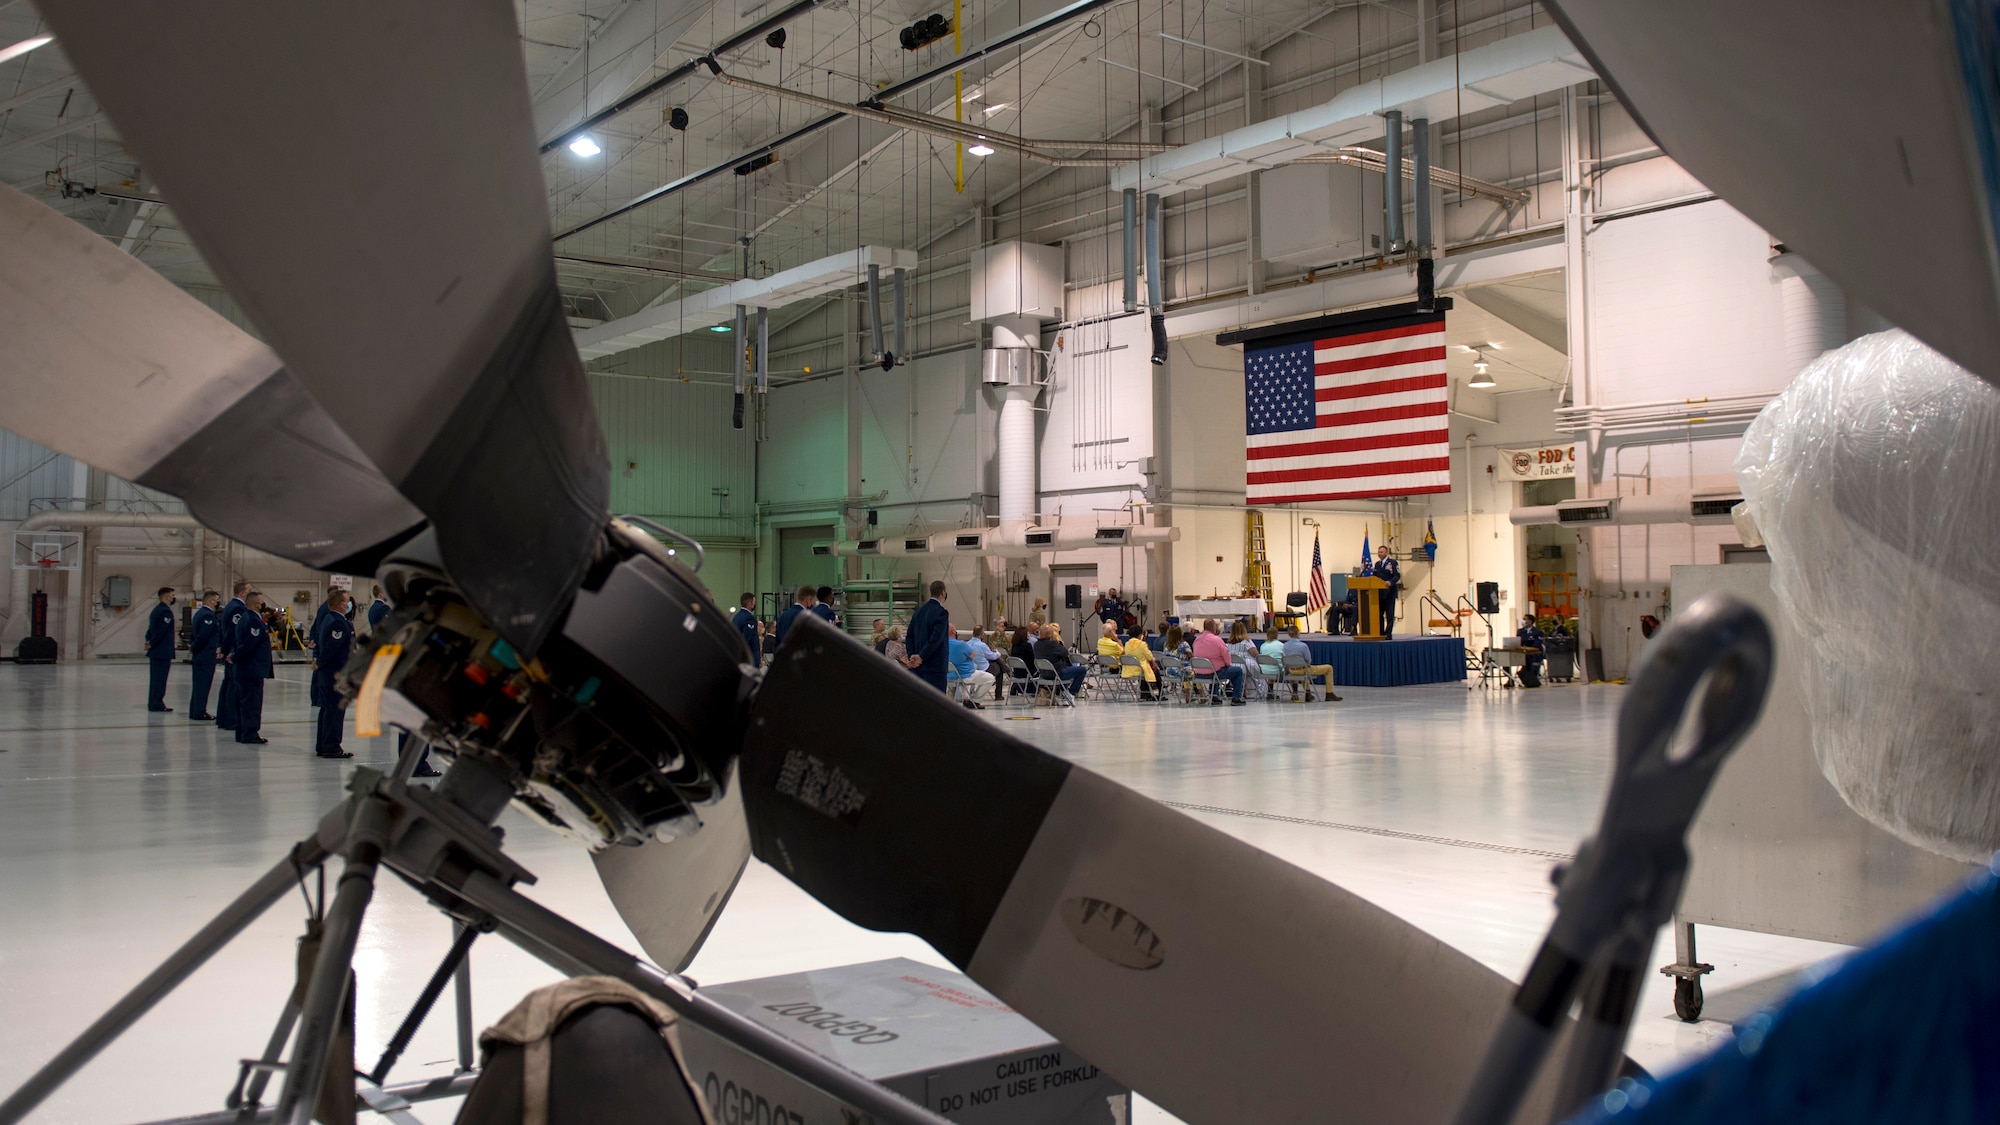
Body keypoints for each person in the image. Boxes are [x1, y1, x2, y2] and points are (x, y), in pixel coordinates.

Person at [311, 588, 356, 758]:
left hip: (329, 675)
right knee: (334, 712)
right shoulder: (338, 623)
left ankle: (323, 744)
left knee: (327, 711)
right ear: (341, 605)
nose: (349, 604)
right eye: (347, 601)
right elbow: (331, 648)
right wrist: (320, 662)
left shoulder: (328, 619)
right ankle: (331, 746)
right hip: (335, 675)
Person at [231, 589, 273, 744]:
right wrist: (236, 656)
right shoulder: (254, 620)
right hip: (251, 668)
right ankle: (250, 733)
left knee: (242, 701)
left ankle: (242, 731)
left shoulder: (244, 618)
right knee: (252, 702)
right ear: (257, 604)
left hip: (244, 668)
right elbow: (249, 644)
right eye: (262, 602)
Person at [215, 581, 251, 730]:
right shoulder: (238, 608)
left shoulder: (231, 606)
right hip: (233, 651)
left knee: (228, 684)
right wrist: (229, 650)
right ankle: (231, 719)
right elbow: (233, 632)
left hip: (229, 649)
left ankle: (224, 718)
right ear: (242, 593)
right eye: (249, 591)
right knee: (233, 687)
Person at [905, 580, 950, 693]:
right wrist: (922, 656)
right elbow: (936, 638)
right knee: (937, 702)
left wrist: (912, 656)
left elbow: (909, 636)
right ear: (943, 593)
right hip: (935, 666)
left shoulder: (918, 612)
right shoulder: (941, 612)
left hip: (917, 667)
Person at [1189, 619, 1246, 705]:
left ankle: (1214, 696)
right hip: (1214, 673)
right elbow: (1226, 656)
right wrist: (1228, 665)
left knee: (1215, 669)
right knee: (1237, 671)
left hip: (1199, 673)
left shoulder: (1197, 640)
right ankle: (1236, 698)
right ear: (1213, 627)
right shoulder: (1217, 640)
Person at [187, 589, 221, 719]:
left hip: (201, 655)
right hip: (205, 655)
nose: (217, 603)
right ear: (211, 601)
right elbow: (203, 636)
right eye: (216, 601)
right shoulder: (207, 615)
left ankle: (195, 710)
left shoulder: (199, 613)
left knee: (198, 685)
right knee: (203, 685)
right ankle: (199, 711)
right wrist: (195, 648)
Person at [1282, 627, 1341, 702]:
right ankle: (1329, 693)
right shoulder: (1303, 646)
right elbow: (1309, 660)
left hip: (1291, 670)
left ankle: (1308, 692)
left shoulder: (1284, 646)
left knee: (1304, 668)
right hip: (1303, 670)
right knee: (1329, 668)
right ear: (1298, 633)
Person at [1032, 623, 1087, 700]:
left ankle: (1064, 691)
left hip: (1044, 674)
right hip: (1057, 674)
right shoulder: (1053, 645)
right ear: (1048, 634)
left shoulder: (1036, 645)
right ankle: (1071, 693)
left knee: (1063, 666)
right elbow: (1065, 652)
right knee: (1082, 670)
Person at [144, 586, 177, 712]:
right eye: (172, 595)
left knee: (156, 678)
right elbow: (160, 631)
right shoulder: (165, 612)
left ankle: (154, 702)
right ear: (167, 596)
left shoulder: (156, 610)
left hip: (156, 650)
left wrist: (148, 641)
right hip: (162, 651)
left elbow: (151, 629)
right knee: (160, 679)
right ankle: (157, 703)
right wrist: (152, 642)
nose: (174, 597)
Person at [947, 626, 992, 709]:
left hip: (948, 676)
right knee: (990, 678)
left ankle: (965, 698)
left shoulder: (941, 645)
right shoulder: (961, 644)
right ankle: (975, 701)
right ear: (954, 632)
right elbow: (973, 655)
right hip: (965, 675)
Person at [1121, 628, 1160, 700]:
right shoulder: (1142, 644)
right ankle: (1159, 694)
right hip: (1140, 669)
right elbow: (1149, 657)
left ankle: (1144, 693)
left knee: (1145, 671)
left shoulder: (1127, 644)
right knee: (1155, 671)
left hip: (1129, 669)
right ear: (1140, 635)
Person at [1372, 544, 1402, 638]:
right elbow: (1375, 577)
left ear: (1386, 552)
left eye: (1381, 552)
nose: (1379, 554)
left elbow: (1397, 575)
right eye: (1378, 552)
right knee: (1379, 614)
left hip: (1390, 594)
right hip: (1379, 594)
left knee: (1389, 615)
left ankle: (1388, 633)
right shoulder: (1377, 564)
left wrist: (1391, 582)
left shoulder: (1392, 563)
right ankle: (1380, 632)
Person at [967, 627, 1000, 700]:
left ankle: (1006, 670)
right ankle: (998, 695)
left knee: (997, 663)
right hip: (984, 669)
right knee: (999, 667)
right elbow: (992, 656)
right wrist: (997, 653)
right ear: (981, 635)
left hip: (972, 668)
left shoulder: (967, 644)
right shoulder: (982, 645)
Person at [731, 593, 760, 668]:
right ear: (749, 604)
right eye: (754, 602)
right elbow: (746, 639)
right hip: (750, 658)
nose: (754, 604)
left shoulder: (736, 617)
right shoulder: (749, 618)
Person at [1517, 614, 1546, 688]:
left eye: (1525, 619)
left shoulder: (1537, 632)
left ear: (1530, 621)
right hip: (1523, 653)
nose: (1523, 621)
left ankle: (1530, 678)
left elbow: (1537, 645)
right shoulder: (1520, 631)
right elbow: (1518, 642)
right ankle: (1510, 680)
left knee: (1529, 658)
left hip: (1534, 654)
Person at [1008, 625, 1036, 695]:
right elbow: (1032, 660)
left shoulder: (1014, 646)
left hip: (1017, 672)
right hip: (1027, 672)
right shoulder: (1027, 645)